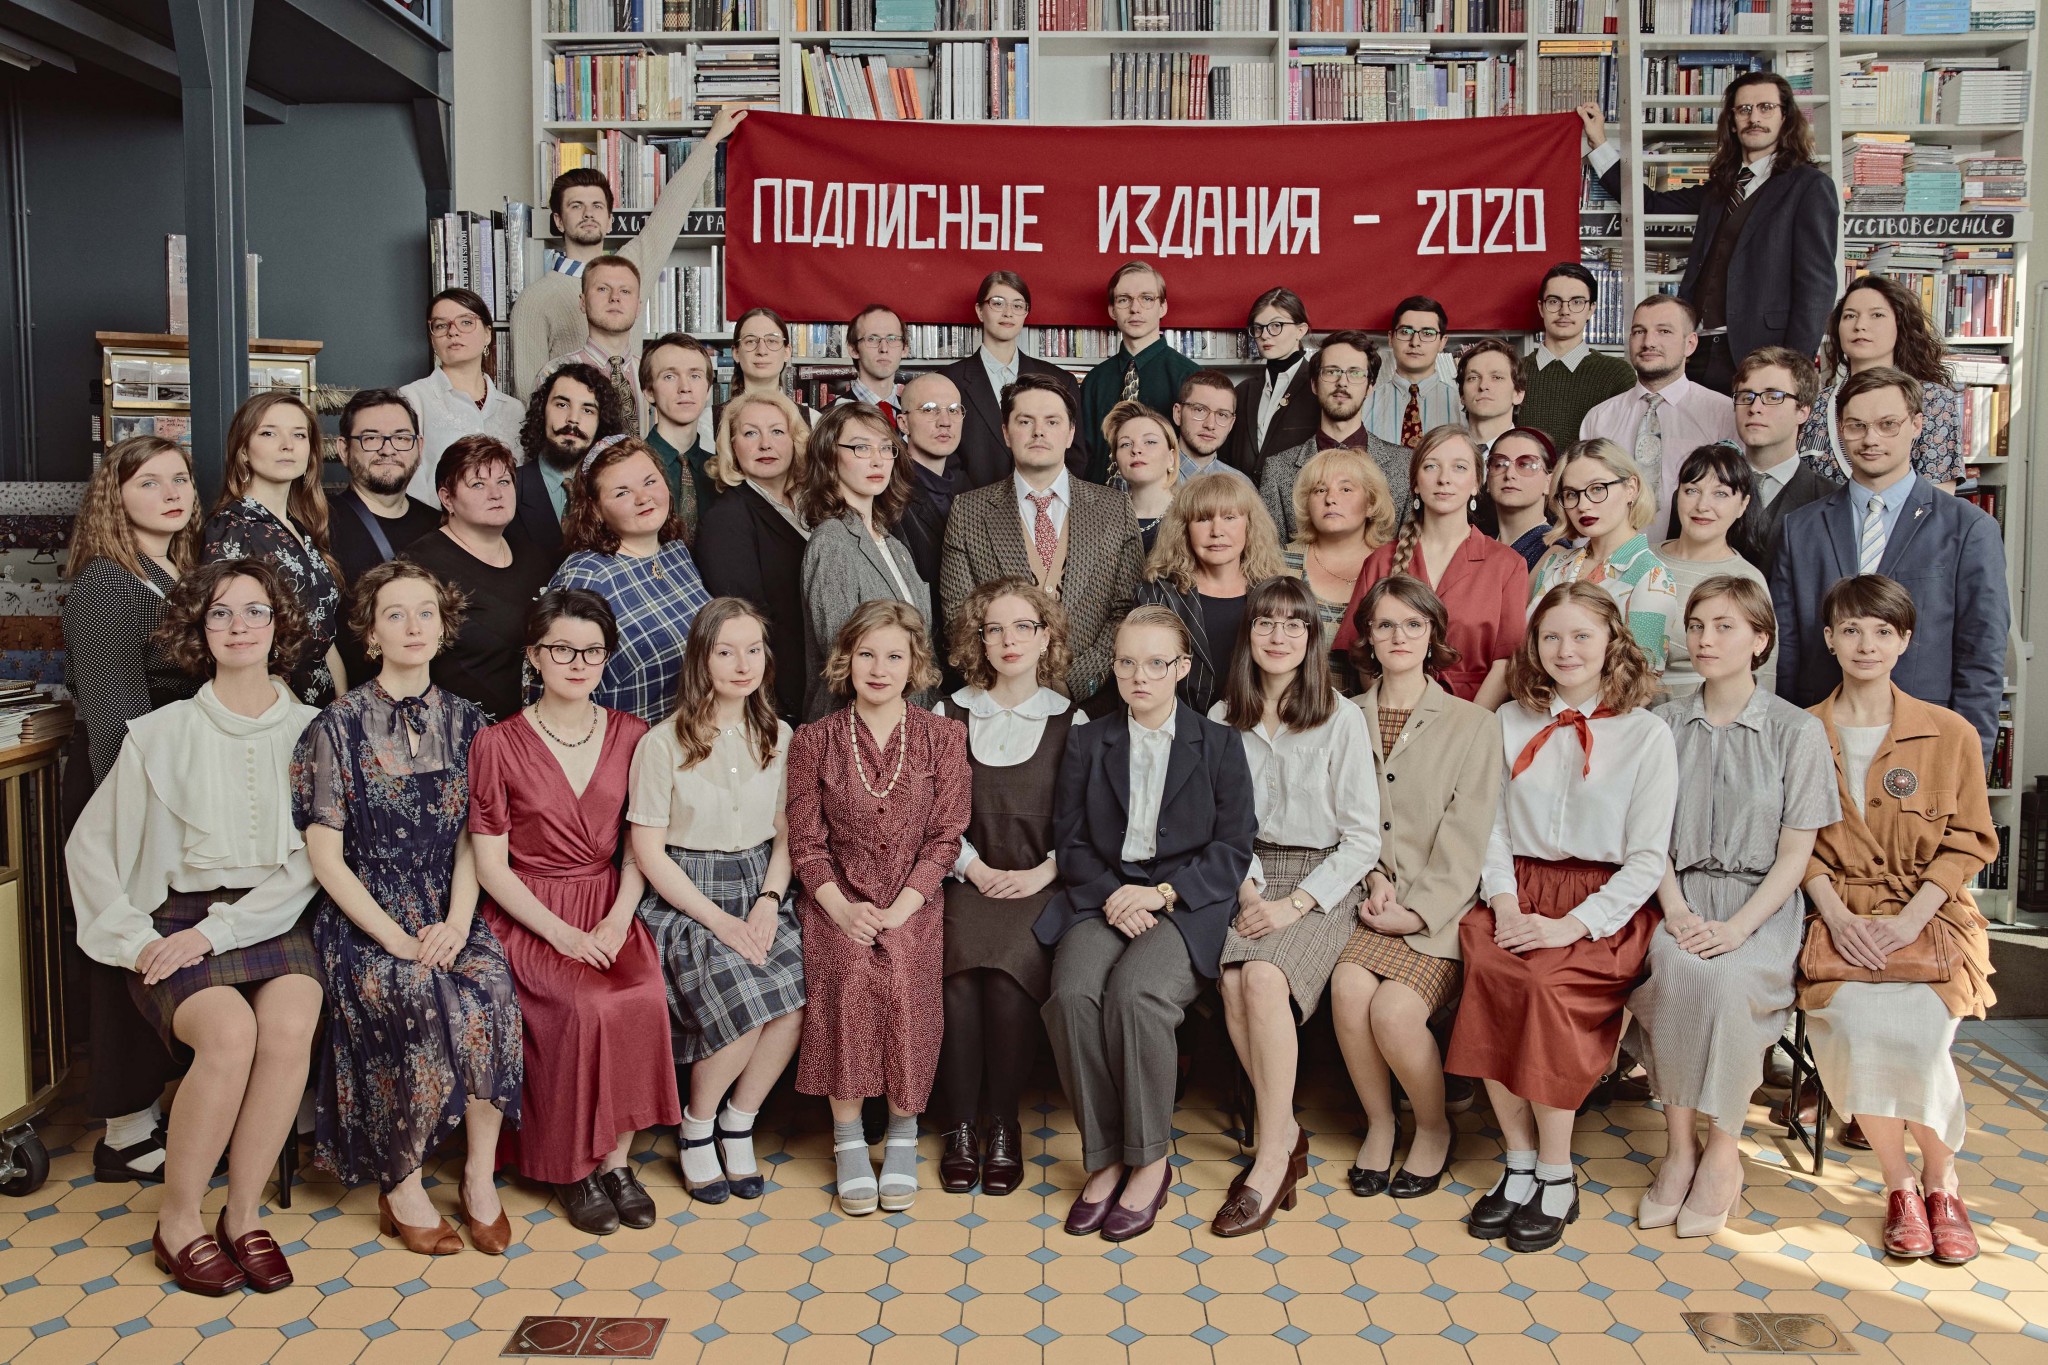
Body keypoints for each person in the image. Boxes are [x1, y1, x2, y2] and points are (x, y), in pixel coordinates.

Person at [68, 558, 324, 1295]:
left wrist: (220, 932)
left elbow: (308, 866)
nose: (239, 626)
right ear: (198, 630)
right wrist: (135, 939)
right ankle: (178, 1220)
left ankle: (241, 1215)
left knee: (289, 1023)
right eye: (220, 613)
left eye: (255, 611)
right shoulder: (159, 733)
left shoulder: (313, 730)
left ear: (279, 625)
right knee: (229, 1034)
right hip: (175, 916)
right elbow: (89, 851)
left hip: (272, 913)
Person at [296, 561, 521, 1256]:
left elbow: (473, 841)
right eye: (395, 614)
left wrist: (456, 922)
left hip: (446, 905)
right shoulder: (335, 727)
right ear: (371, 634)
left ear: (443, 626)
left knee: (491, 990)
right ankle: (403, 1181)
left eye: (426, 612)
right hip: (366, 914)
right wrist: (396, 938)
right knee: (417, 992)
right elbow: (326, 859)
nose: (413, 626)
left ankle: (479, 1176)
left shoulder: (470, 722)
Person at [1449, 582, 1677, 1254]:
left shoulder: (1646, 733)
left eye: (1582, 635)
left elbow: (1646, 859)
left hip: (1601, 905)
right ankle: (1518, 1161)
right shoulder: (1508, 720)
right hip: (1516, 890)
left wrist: (1569, 925)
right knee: (1491, 971)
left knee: (1543, 985)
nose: (1566, 649)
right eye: (1551, 636)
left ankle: (1556, 1171)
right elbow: (1488, 825)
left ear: (1612, 642)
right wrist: (1505, 901)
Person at [1036, 606, 1256, 1242]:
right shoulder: (1089, 741)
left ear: (1181, 668)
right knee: (1072, 995)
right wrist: (1115, 896)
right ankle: (1105, 1156)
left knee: (1137, 995)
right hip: (1102, 897)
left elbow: (1233, 847)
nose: (1140, 676)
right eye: (1127, 662)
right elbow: (1071, 842)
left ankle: (1150, 1161)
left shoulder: (1219, 744)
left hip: (1183, 905)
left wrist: (1159, 894)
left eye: (1156, 663)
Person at [1624, 576, 1835, 1237]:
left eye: (1724, 626)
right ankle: (1679, 1146)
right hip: (1677, 893)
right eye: (1696, 626)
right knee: (1677, 970)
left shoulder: (1796, 730)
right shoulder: (1662, 723)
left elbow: (1796, 853)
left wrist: (1740, 927)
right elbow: (1646, 836)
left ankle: (1723, 1151)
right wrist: (1677, 911)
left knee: (1730, 979)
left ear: (1760, 640)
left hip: (1760, 904)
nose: (1705, 639)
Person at [468, 589, 679, 1235]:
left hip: (608, 902)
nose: (578, 662)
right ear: (534, 655)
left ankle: (615, 1161)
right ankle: (570, 1168)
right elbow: (490, 867)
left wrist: (617, 918)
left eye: (592, 651)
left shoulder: (634, 734)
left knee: (642, 993)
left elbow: (639, 848)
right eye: (562, 649)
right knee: (579, 1005)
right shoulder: (497, 742)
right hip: (531, 910)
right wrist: (559, 933)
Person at [1800, 573, 1997, 1263]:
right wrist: (1835, 914)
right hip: (1840, 921)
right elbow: (1792, 843)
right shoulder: (1801, 732)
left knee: (1918, 1034)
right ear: (1829, 638)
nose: (1866, 644)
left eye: (1883, 630)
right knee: (1856, 1025)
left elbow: (1971, 839)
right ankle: (1898, 1184)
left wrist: (1911, 920)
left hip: (1930, 922)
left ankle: (1942, 1182)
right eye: (1851, 629)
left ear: (1905, 640)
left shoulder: (1950, 732)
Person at [787, 600, 972, 1215]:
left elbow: (946, 837)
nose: (879, 668)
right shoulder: (814, 740)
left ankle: (901, 1132)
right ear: (846, 659)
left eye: (894, 656)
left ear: (915, 664)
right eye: (866, 654)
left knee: (903, 977)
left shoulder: (943, 736)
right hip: (836, 898)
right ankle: (846, 1137)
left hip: (914, 898)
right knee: (847, 972)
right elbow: (806, 844)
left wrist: (903, 907)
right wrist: (841, 908)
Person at [1210, 577, 1379, 1236]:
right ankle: (1286, 1131)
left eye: (1293, 624)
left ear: (1312, 638)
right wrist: (1251, 891)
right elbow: (1222, 826)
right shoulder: (1223, 718)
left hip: (1323, 876)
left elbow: (1362, 839)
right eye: (1265, 622)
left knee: (1261, 976)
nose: (1277, 636)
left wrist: (1295, 904)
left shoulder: (1341, 717)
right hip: (1246, 871)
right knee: (1231, 981)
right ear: (1248, 635)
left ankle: (1272, 1156)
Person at [61, 435, 205, 1184]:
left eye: (179, 479)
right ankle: (122, 1130)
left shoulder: (175, 570)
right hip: (121, 786)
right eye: (148, 482)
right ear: (113, 497)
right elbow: (114, 713)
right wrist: (137, 817)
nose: (171, 493)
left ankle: (149, 1106)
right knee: (124, 940)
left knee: (162, 939)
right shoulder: (106, 582)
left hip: (171, 784)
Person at [628, 597, 804, 1204]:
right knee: (745, 996)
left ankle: (739, 1121)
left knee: (796, 996)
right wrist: (720, 922)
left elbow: (786, 834)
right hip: (688, 896)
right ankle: (697, 1125)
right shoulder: (662, 743)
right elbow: (648, 853)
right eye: (726, 652)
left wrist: (768, 899)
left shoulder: (779, 735)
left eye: (753, 650)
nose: (742, 664)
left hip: (759, 884)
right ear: (701, 659)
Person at [1332, 576, 1501, 1201]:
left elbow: (1468, 836)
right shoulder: (1344, 716)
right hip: (1369, 897)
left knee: (1394, 1013)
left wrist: (1418, 911)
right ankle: (1381, 1123)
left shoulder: (1473, 724)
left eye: (1413, 624)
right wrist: (1373, 876)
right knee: (1349, 989)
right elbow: (1341, 817)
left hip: (1440, 911)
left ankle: (1432, 1128)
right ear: (1367, 638)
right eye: (1385, 625)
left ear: (1433, 635)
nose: (1399, 636)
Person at [1771, 368, 2008, 760]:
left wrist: (1970, 764)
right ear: (1840, 429)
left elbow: (1981, 658)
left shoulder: (1968, 529)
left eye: (1887, 425)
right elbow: (1786, 653)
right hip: (1818, 740)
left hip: (1926, 740)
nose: (1871, 439)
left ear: (1916, 424)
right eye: (1856, 426)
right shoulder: (1800, 529)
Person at [931, 579, 1081, 1196]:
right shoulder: (948, 714)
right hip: (965, 880)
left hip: (1039, 885)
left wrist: (1042, 873)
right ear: (980, 641)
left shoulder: (1072, 720)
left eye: (1023, 627)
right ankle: (961, 1127)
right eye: (994, 629)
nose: (1009, 640)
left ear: (1046, 638)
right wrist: (973, 869)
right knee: (960, 983)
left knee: (1004, 982)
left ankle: (1003, 1126)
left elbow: (1085, 822)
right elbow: (933, 816)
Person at [1579, 73, 1838, 394]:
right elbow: (1649, 203)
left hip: (1763, 356)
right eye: (1744, 109)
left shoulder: (1809, 186)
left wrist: (1793, 369)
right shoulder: (1721, 188)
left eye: (1766, 107)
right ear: (1732, 121)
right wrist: (1599, 144)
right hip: (1698, 352)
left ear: (1785, 117)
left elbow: (1817, 285)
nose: (1754, 118)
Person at [508, 105, 743, 397]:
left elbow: (671, 212)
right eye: (576, 206)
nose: (588, 214)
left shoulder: (631, 267)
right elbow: (529, 397)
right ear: (558, 220)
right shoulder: (534, 301)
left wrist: (712, 140)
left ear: (610, 220)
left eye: (596, 206)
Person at [940, 373, 1146, 703]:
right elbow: (958, 616)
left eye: (1052, 421)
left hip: (1096, 702)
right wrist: (1012, 684)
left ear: (1070, 433)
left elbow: (1127, 610)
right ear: (1006, 432)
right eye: (1025, 421)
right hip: (1000, 697)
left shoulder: (1114, 508)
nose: (1039, 431)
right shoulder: (969, 511)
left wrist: (1077, 682)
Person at [1339, 426, 1529, 709]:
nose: (1444, 479)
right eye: (1431, 466)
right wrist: (1392, 710)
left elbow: (1507, 661)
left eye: (1459, 467)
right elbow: (1361, 654)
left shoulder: (1507, 565)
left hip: (1472, 712)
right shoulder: (1381, 560)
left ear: (1476, 483)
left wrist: (1468, 723)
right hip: (1394, 710)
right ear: (1415, 482)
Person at [547, 436, 713, 726]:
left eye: (650, 482)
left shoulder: (675, 551)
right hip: (629, 745)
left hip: (697, 735)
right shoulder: (584, 578)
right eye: (622, 492)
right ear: (595, 508)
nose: (643, 497)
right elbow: (554, 695)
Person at [203, 391, 346, 706]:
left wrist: (343, 709)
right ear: (243, 451)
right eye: (269, 433)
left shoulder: (300, 527)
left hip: (321, 704)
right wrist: (297, 717)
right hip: (270, 705)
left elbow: (324, 634)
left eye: (299, 435)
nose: (287, 445)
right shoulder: (232, 527)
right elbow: (234, 640)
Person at [401, 437, 560, 721]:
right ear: (447, 498)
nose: (496, 494)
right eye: (478, 484)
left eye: (504, 482)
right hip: (456, 729)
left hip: (535, 724)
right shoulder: (418, 566)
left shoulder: (532, 555)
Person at [797, 403, 930, 720]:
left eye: (886, 448)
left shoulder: (893, 544)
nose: (877, 460)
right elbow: (843, 659)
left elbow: (921, 649)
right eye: (861, 447)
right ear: (829, 457)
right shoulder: (832, 541)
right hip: (853, 727)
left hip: (907, 721)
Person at [1578, 295, 1740, 538]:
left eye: (1664, 331)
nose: (1648, 342)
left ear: (1690, 344)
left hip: (1692, 554)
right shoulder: (1599, 418)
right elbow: (1586, 498)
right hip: (1614, 555)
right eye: (1639, 332)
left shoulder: (1724, 414)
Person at [695, 394, 813, 725]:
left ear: (795, 439)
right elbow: (748, 624)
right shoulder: (727, 519)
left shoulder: (813, 505)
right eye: (750, 433)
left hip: (822, 676)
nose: (765, 444)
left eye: (777, 431)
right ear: (732, 446)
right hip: (782, 694)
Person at [1135, 473, 1288, 715]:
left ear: (1249, 525)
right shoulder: (1156, 595)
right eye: (1203, 519)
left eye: (1229, 517)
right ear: (1184, 529)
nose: (1217, 531)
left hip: (1257, 727)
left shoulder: (1275, 594)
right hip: (1177, 729)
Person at [1799, 275, 1967, 492]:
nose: (1860, 326)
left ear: (1900, 325)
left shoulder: (1933, 400)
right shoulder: (1816, 403)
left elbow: (1937, 500)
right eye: (1850, 316)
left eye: (1877, 315)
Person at [1530, 439, 1681, 672]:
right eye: (1571, 494)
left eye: (1597, 489)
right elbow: (1525, 650)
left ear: (1631, 488)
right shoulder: (1555, 564)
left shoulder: (1651, 575)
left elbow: (1644, 676)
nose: (1583, 505)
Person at [327, 389, 443, 687]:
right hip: (351, 699)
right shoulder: (319, 525)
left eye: (401, 438)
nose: (388, 449)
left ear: (419, 447)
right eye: (371, 438)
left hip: (432, 698)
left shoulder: (441, 525)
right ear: (343, 449)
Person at [1258, 330, 1411, 542]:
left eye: (1355, 373)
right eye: (1331, 372)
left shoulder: (1406, 465)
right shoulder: (1277, 470)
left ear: (1370, 387)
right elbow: (1271, 555)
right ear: (1314, 384)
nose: (1342, 382)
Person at [936, 270, 1085, 487]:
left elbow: (1076, 456)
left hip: (1045, 501)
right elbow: (942, 454)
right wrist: (974, 502)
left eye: (1017, 305)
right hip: (972, 501)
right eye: (998, 303)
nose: (1008, 313)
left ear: (1025, 313)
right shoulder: (949, 380)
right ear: (979, 311)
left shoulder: (1061, 380)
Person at [1656, 444, 1775, 698]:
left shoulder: (1746, 579)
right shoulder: (1639, 557)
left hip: (1703, 711)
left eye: (1720, 494)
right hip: (1620, 708)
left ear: (1743, 505)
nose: (1702, 505)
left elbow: (1764, 672)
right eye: (1692, 491)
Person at [1279, 449, 1396, 692]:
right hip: (1291, 707)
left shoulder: (1393, 567)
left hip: (1370, 710)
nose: (1330, 499)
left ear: (1371, 504)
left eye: (1346, 489)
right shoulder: (1279, 563)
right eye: (1320, 490)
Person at [1079, 262, 1201, 481]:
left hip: (1168, 497)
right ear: (1112, 310)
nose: (1135, 308)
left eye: (1146, 298)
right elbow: (1083, 454)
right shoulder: (1095, 380)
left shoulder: (1191, 377)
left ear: (1162, 307)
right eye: (1124, 299)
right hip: (1100, 496)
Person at [401, 287, 524, 500]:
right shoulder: (412, 398)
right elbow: (411, 481)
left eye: (466, 322)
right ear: (432, 339)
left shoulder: (514, 409)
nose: (453, 332)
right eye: (441, 325)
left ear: (487, 333)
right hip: (436, 518)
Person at [1519, 263, 1637, 453]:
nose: (1564, 311)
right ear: (1541, 308)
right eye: (1554, 301)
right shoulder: (1514, 371)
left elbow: (1623, 450)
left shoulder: (1616, 374)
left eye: (1576, 302)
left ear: (1591, 309)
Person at [1731, 347, 1827, 578]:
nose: (1755, 408)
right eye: (1746, 397)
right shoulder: (1696, 492)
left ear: (1803, 411)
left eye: (1773, 397)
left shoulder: (1831, 500)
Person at [514, 362, 628, 558]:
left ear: (601, 422)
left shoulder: (619, 490)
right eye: (562, 405)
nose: (573, 419)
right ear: (542, 411)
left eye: (587, 410)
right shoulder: (509, 488)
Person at [537, 256, 646, 425]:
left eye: (625, 291)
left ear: (638, 307)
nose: (615, 297)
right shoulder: (554, 373)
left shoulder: (652, 373)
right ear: (583, 302)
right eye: (603, 289)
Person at [1228, 287, 1318, 482]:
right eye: (1258, 328)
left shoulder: (1318, 388)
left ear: (1301, 330)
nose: (1265, 335)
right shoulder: (1243, 391)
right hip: (1243, 497)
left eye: (1276, 325)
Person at [640, 331, 720, 535]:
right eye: (669, 376)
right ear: (649, 391)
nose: (685, 388)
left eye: (695, 376)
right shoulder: (628, 467)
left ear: (708, 390)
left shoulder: (722, 473)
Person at [897, 371, 968, 598]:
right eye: (929, 409)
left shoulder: (968, 491)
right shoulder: (890, 495)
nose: (945, 422)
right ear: (904, 423)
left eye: (954, 410)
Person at [1366, 297, 1463, 448]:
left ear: (1442, 342)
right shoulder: (1365, 404)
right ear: (1391, 338)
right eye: (1405, 332)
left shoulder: (1462, 406)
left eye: (1428, 333)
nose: (1415, 342)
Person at [724, 306, 824, 429]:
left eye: (772, 341)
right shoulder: (710, 420)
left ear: (787, 352)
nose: (761, 351)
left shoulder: (814, 421)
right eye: (750, 341)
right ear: (736, 353)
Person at [1104, 399, 1179, 552]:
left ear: (1171, 458)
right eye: (1125, 444)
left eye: (1150, 442)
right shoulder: (1102, 519)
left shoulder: (1191, 515)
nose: (1136, 449)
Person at [1486, 427, 1560, 568]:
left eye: (1526, 465)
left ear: (1549, 483)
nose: (1509, 474)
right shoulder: (1479, 542)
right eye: (1500, 464)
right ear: (1488, 479)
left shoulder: (1555, 553)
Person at [1172, 370, 1249, 485]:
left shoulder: (1243, 485)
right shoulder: (1149, 477)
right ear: (1178, 414)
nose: (1210, 425)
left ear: (1231, 424)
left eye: (1222, 415)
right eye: (1200, 410)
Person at [838, 303, 908, 420]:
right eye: (872, 339)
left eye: (892, 338)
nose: (884, 349)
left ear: (905, 349)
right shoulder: (828, 418)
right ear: (854, 350)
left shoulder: (916, 416)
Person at [1456, 340, 1525, 457]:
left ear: (1518, 394)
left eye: (1497, 377)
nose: (1483, 386)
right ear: (1462, 395)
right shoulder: (1445, 453)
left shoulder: (1534, 454)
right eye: (1473, 378)